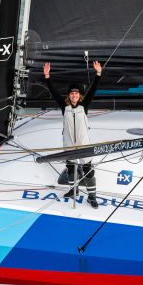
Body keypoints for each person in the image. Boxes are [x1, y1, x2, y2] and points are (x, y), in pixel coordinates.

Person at [43, 61, 102, 209]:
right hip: (69, 143)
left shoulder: (84, 106)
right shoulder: (65, 107)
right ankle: (74, 190)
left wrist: (98, 74)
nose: (74, 95)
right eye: (72, 93)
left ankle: (92, 197)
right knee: (70, 168)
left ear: (79, 95)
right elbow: (54, 92)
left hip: (84, 144)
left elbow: (93, 90)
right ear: (69, 96)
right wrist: (47, 76)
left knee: (88, 169)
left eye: (76, 93)